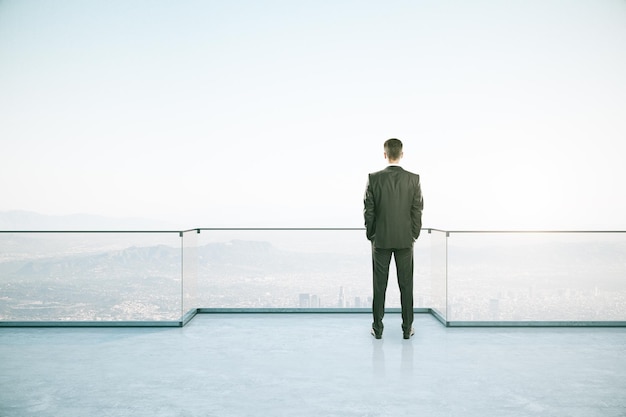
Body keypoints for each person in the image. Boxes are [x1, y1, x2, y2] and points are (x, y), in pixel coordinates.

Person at [364, 138, 423, 339]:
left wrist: (372, 234)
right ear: (402, 154)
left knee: (379, 286)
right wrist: (413, 234)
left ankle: (378, 329)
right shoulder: (413, 179)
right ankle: (407, 329)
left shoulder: (373, 178)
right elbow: (417, 210)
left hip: (380, 240)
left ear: (385, 154)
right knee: (406, 285)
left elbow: (368, 211)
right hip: (405, 240)